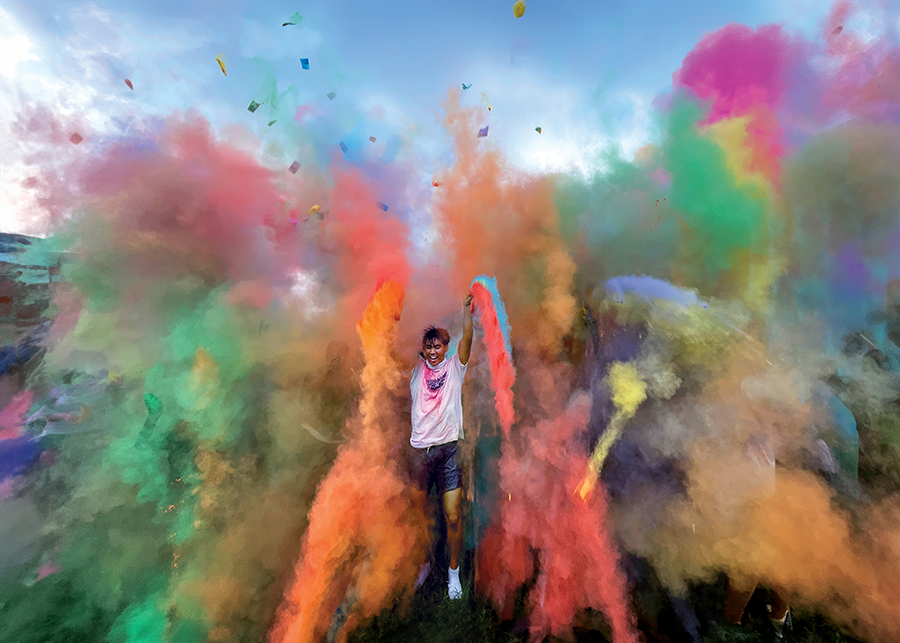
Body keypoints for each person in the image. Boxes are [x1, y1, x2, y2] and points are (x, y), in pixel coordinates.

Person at [409, 293, 474, 600]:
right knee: (420, 516)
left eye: (438, 346)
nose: (433, 351)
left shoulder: (455, 367)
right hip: (421, 452)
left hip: (448, 451)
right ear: (422, 350)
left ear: (446, 348)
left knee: (452, 515)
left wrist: (464, 309)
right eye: (429, 346)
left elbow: (467, 339)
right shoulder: (415, 371)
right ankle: (424, 562)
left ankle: (453, 574)